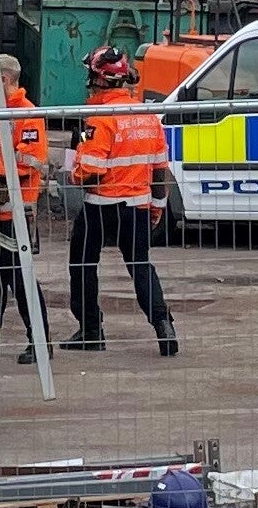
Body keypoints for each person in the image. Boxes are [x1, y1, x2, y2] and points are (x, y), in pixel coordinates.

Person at [63, 42, 178, 357]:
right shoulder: (146, 116)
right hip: (138, 206)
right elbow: (159, 171)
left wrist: (72, 172)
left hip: (101, 207)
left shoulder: (99, 118)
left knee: (83, 263)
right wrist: (155, 209)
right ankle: (163, 324)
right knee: (141, 265)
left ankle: (90, 330)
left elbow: (89, 172)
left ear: (99, 79)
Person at [0, 55, 50, 359]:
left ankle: (40, 343)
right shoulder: (4, 114)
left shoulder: (27, 116)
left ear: (4, 80)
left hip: (15, 212)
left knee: (20, 279)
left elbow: (28, 162)